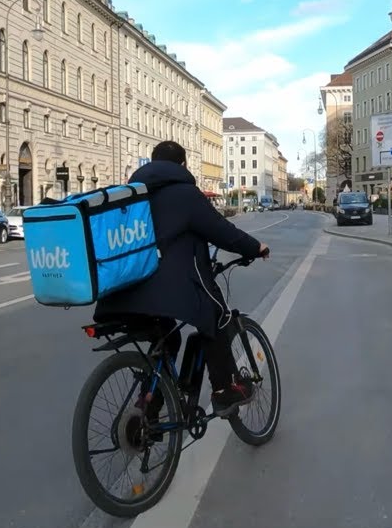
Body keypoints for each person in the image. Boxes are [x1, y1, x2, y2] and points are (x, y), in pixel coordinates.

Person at [95, 140, 270, 417]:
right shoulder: (185, 193)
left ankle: (148, 408)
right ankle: (225, 390)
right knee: (216, 317)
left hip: (121, 290)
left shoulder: (130, 195)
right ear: (182, 165)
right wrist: (255, 248)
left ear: (152, 163)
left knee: (167, 338)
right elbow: (220, 230)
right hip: (170, 289)